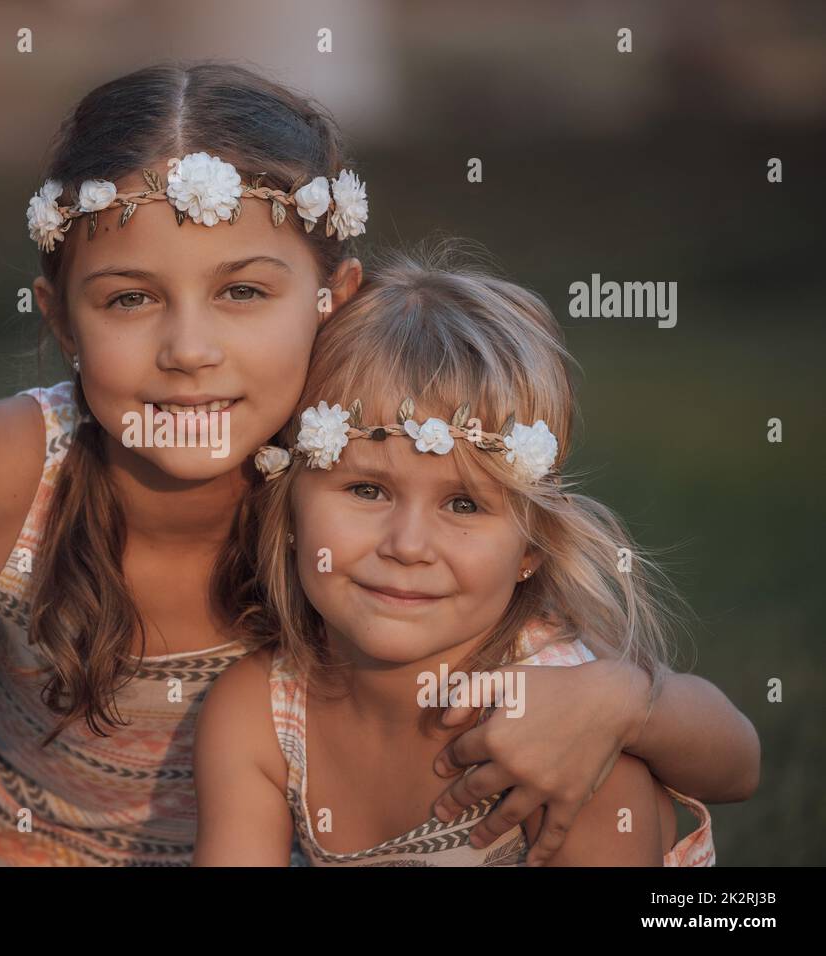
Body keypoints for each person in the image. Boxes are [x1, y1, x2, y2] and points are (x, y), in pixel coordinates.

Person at [0, 64, 758, 866]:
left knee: (624, 793)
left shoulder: (364, 485)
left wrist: (621, 694)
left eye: (243, 293)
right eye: (130, 298)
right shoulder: (19, 464)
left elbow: (576, 659)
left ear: (333, 297)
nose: (188, 352)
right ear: (62, 313)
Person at [194, 245, 730, 865]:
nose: (408, 546)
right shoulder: (260, 713)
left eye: (465, 505)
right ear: (287, 507)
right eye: (367, 490)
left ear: (532, 545)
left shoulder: (569, 743)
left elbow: (738, 762)